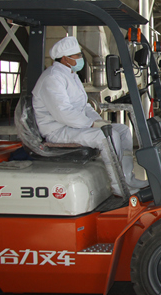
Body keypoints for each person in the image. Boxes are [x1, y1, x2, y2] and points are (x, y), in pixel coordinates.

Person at [32, 36, 147, 196]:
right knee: (108, 136)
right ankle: (119, 187)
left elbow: (84, 105)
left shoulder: (71, 75)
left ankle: (128, 178)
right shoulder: (52, 78)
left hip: (74, 126)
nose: (81, 58)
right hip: (59, 130)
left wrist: (98, 121)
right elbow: (63, 113)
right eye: (77, 55)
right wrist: (92, 124)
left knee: (122, 130)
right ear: (65, 58)